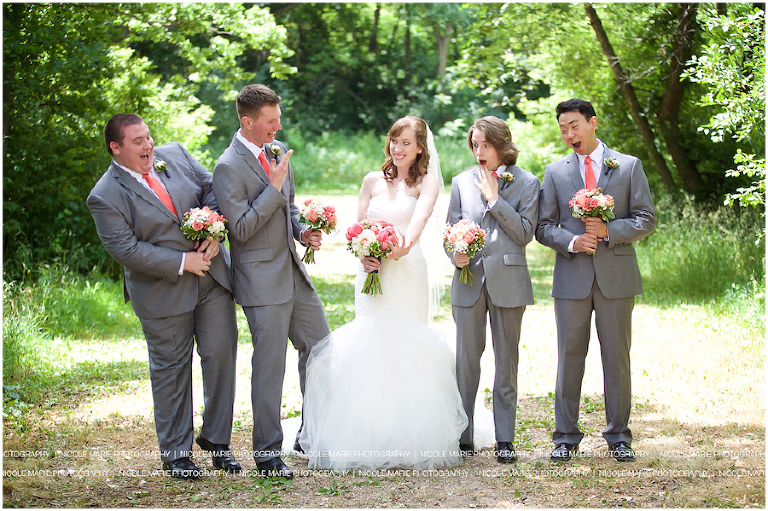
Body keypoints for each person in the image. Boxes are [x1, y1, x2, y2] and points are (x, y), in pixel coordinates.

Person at [298, 116, 468, 471]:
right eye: (394, 140)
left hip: (406, 269)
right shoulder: (371, 181)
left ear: (420, 147)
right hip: (369, 272)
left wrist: (390, 249)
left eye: (406, 142)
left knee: (405, 342)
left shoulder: (427, 183)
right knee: (369, 337)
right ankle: (368, 431)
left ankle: (408, 430)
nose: (398, 148)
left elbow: (417, 227)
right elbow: (356, 228)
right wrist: (365, 252)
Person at [87, 114, 240, 480]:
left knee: (221, 357)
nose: (148, 146)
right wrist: (182, 261)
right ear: (116, 148)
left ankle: (217, 442)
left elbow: (212, 187)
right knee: (170, 371)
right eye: (137, 141)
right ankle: (176, 454)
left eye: (149, 137)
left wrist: (214, 228)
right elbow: (124, 249)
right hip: (162, 293)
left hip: (212, 282)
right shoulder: (105, 195)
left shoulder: (175, 155)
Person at [212, 84, 330, 479]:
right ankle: (266, 453)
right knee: (270, 366)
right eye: (270, 121)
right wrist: (274, 187)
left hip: (293, 272)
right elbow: (241, 230)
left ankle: (312, 434)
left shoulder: (277, 153)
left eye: (278, 118)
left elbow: (290, 209)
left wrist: (303, 232)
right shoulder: (227, 166)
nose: (278, 127)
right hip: (260, 281)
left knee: (321, 349)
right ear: (247, 122)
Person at [535, 99, 656, 463]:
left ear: (592, 123)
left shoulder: (628, 166)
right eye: (562, 129)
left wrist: (607, 231)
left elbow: (646, 218)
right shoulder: (555, 172)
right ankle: (565, 438)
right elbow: (543, 227)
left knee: (616, 359)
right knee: (569, 358)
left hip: (616, 278)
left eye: (574, 126)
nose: (569, 134)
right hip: (572, 278)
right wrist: (573, 241)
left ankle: (619, 436)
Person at [445, 116, 540, 464]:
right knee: (466, 363)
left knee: (506, 364)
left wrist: (494, 199)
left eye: (486, 144)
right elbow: (450, 230)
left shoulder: (528, 182)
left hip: (509, 282)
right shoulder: (459, 182)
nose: (479, 151)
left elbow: (525, 232)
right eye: (475, 145)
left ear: (502, 145)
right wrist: (454, 255)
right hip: (468, 280)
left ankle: (505, 439)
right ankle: (463, 436)